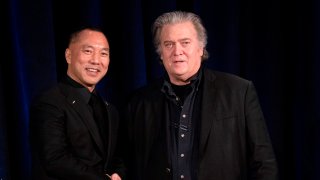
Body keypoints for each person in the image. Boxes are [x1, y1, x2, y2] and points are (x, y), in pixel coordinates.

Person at [124, 11, 278, 180]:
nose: (177, 51)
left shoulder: (239, 91)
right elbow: (128, 163)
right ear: (161, 53)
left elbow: (264, 164)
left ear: (201, 48)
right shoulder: (139, 102)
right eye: (168, 44)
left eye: (185, 43)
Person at [30, 27, 125, 180]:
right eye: (88, 51)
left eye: (103, 53)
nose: (96, 60)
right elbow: (55, 159)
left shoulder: (110, 109)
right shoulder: (50, 102)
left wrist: (119, 174)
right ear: (68, 55)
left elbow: (117, 157)